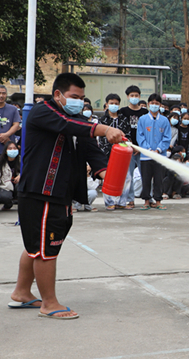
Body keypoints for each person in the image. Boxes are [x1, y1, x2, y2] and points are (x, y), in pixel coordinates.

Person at [12, 73, 124, 318]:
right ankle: (49, 304)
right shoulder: (43, 112)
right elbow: (67, 125)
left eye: (82, 98)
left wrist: (105, 173)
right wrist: (102, 128)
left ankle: (22, 293)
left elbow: (89, 148)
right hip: (41, 191)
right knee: (45, 249)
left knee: (37, 245)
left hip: (59, 192)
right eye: (74, 97)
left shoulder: (77, 120)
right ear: (57, 95)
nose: (79, 102)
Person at [137, 93, 172, 210]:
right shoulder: (142, 119)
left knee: (159, 179)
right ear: (148, 104)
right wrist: (148, 149)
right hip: (145, 156)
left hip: (159, 155)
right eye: (152, 103)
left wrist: (158, 150)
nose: (154, 105)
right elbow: (140, 136)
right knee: (146, 179)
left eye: (157, 104)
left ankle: (158, 201)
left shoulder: (164, 120)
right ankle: (146, 201)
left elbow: (167, 137)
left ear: (160, 105)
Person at [98, 93, 130, 211]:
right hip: (107, 153)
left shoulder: (124, 119)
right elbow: (101, 138)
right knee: (108, 178)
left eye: (116, 104)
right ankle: (109, 202)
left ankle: (122, 201)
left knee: (127, 177)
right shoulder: (102, 120)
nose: (114, 105)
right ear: (107, 104)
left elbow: (128, 134)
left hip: (123, 153)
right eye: (111, 103)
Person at [119, 85, 147, 210]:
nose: (134, 98)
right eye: (132, 96)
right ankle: (130, 200)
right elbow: (121, 130)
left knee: (146, 174)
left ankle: (148, 198)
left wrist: (139, 146)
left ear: (139, 96)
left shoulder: (144, 112)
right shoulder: (123, 112)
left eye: (136, 95)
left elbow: (147, 131)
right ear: (127, 97)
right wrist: (131, 145)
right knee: (128, 175)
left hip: (142, 148)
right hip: (128, 148)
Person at [0, 141, 20, 210]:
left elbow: (29, 172)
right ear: (5, 151)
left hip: (18, 186)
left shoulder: (22, 161)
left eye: (14, 148)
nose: (12, 150)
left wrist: (21, 175)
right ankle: (8, 204)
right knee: (4, 196)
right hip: (4, 186)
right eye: (10, 149)